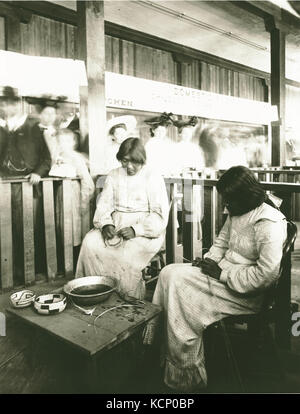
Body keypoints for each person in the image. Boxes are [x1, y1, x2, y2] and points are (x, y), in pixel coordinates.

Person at [143, 166, 287, 392]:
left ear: (247, 196)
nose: (226, 206)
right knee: (168, 272)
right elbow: (221, 243)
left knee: (180, 290)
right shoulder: (239, 209)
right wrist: (207, 262)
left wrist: (221, 273)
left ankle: (186, 374)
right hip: (223, 277)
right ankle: (160, 345)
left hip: (245, 293)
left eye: (229, 200)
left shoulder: (269, 222)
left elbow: (265, 276)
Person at [76, 137, 170, 299]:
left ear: (142, 160)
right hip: (117, 223)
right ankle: (94, 292)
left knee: (123, 255)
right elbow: (105, 204)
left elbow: (159, 213)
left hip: (146, 229)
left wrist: (136, 230)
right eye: (125, 161)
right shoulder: (114, 175)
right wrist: (106, 224)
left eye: (135, 162)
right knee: (90, 243)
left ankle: (126, 298)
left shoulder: (152, 176)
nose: (130, 167)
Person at [49, 128, 95, 248]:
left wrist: (83, 203)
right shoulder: (56, 158)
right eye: (59, 141)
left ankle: (74, 256)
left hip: (73, 196)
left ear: (72, 142)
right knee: (62, 226)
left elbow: (88, 183)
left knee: (73, 228)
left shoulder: (76, 158)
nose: (62, 144)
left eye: (66, 141)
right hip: (60, 194)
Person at [0, 87, 51, 181]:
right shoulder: (2, 128)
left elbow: (46, 158)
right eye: (2, 104)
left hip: (27, 182)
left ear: (16, 105)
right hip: (5, 183)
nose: (2, 108)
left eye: (6, 104)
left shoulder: (33, 127)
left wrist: (38, 173)